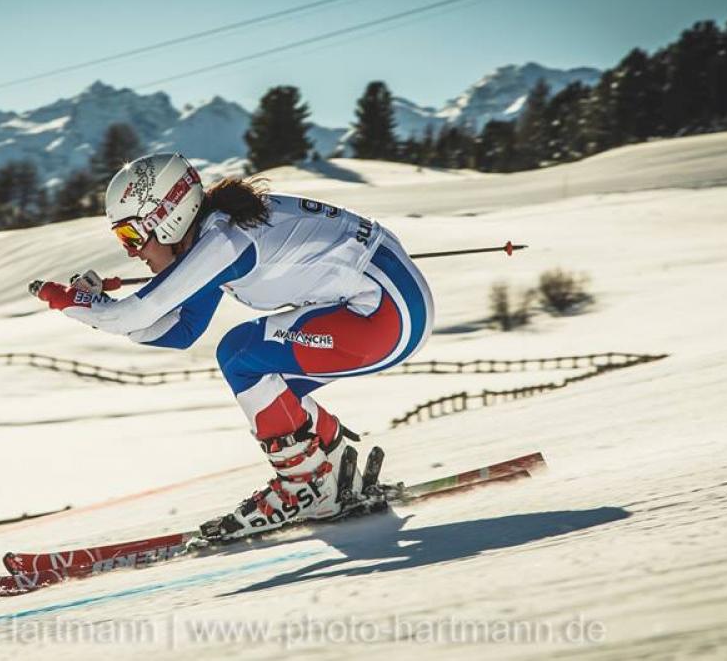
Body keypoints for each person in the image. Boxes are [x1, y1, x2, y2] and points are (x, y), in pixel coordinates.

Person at [31, 152, 434, 541]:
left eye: (131, 234)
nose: (132, 251)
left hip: (384, 316)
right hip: (392, 305)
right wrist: (104, 309)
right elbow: (180, 329)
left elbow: (133, 315)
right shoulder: (215, 233)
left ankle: (306, 485)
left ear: (167, 218)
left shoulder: (223, 242)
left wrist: (72, 301)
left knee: (241, 354)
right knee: (262, 380)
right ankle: (329, 466)